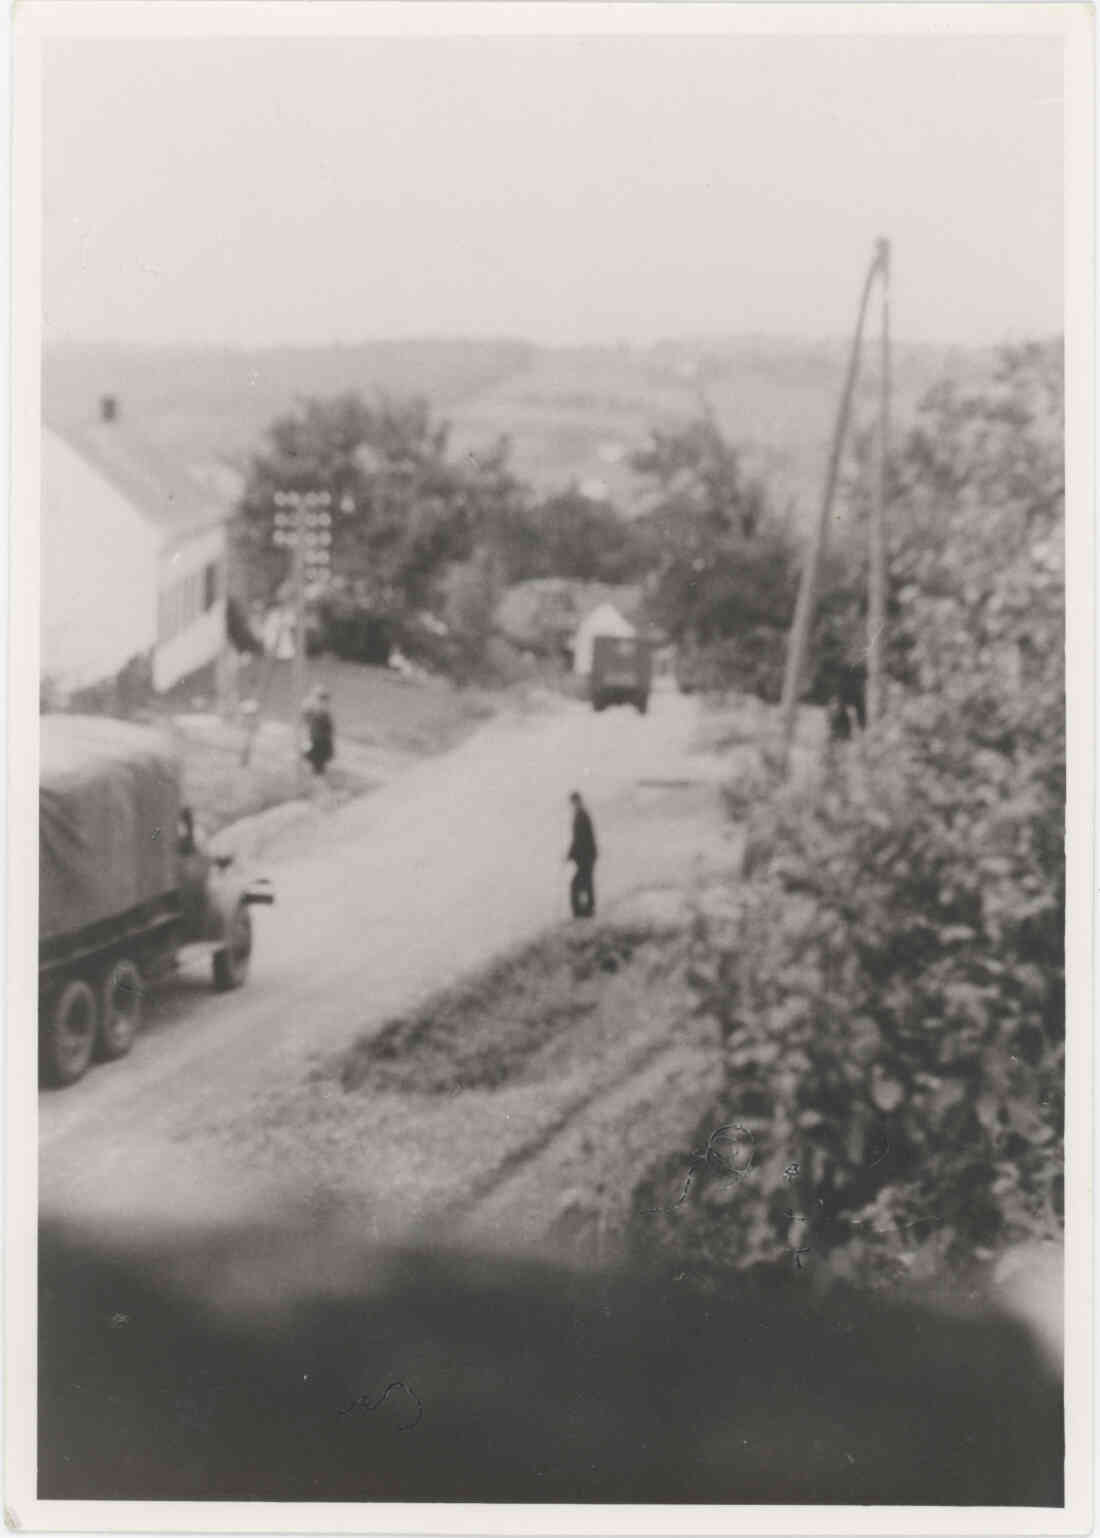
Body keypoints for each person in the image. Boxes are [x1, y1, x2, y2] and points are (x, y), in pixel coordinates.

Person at [566, 790, 597, 918]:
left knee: (577, 884)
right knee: (585, 882)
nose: (574, 805)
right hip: (587, 855)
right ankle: (586, 910)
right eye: (573, 803)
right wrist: (571, 854)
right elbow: (579, 839)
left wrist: (571, 854)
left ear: (578, 801)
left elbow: (579, 839)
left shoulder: (581, 816)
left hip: (586, 856)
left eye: (575, 802)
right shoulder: (582, 815)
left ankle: (580, 912)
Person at [302, 686, 335, 781]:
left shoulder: (322, 712)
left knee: (318, 764)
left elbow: (328, 729)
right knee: (314, 759)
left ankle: (318, 777)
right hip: (316, 739)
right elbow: (306, 718)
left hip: (320, 740)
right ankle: (316, 776)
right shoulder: (316, 710)